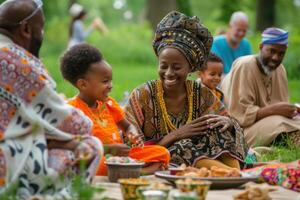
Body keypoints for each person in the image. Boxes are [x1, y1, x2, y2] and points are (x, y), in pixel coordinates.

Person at [0, 0, 102, 198]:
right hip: (6, 164)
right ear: (26, 29)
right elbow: (75, 126)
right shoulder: (15, 60)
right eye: (42, 28)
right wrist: (62, 106)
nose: (43, 35)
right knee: (90, 146)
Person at [125, 11, 247, 170]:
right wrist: (176, 135)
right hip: (163, 157)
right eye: (163, 66)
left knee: (219, 127)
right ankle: (230, 174)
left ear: (190, 68)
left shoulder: (202, 93)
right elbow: (132, 149)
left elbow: (230, 128)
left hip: (203, 156)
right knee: (182, 147)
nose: (168, 73)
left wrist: (228, 123)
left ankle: (230, 171)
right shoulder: (142, 95)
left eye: (176, 67)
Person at [60, 44, 170, 175]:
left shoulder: (109, 104)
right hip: (101, 158)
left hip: (121, 156)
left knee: (162, 152)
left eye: (110, 81)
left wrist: (132, 134)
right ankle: (140, 172)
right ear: (83, 84)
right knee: (94, 164)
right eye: (105, 82)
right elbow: (76, 146)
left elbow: (127, 126)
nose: (110, 86)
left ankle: (128, 170)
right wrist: (109, 150)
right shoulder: (73, 110)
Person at [221, 27, 300, 147]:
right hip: (241, 132)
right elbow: (239, 117)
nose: (275, 58)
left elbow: (282, 109)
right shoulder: (245, 65)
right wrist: (275, 110)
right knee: (280, 123)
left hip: (271, 122)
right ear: (261, 47)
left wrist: (291, 110)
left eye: (281, 53)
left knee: (288, 120)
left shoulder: (280, 70)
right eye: (272, 51)